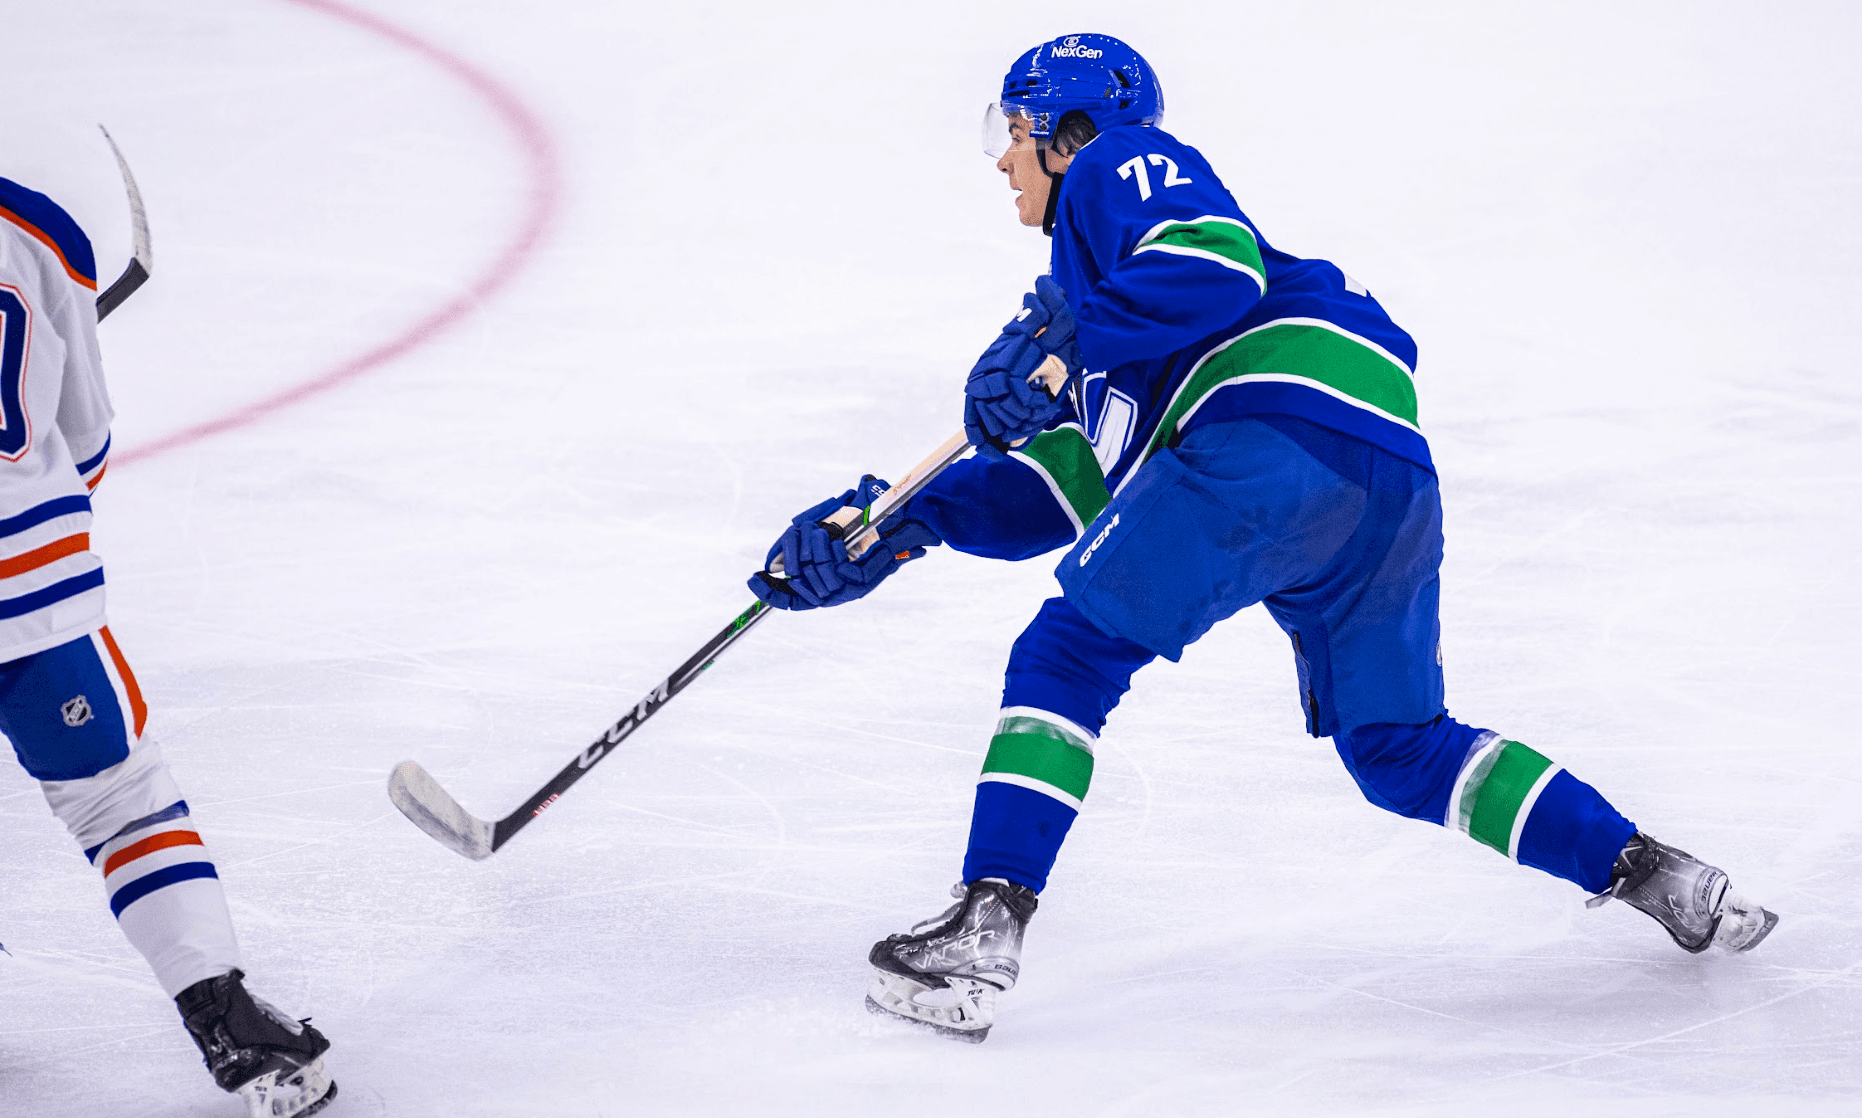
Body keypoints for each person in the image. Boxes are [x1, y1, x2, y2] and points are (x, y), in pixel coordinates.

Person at [748, 33, 1779, 1043]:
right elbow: (1069, 496)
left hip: (1266, 432)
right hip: (1379, 473)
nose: (1002, 160)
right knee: (1398, 749)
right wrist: (901, 521)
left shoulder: (1114, 169)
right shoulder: (1121, 343)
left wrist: (1068, 333)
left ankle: (983, 929)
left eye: (1011, 132)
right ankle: (1653, 871)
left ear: (1064, 132)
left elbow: (1216, 260)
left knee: (1065, 654)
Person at [0, 175, 336, 1114]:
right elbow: (87, 435)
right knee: (118, 800)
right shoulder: (33, 224)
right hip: (26, 592)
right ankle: (223, 1019)